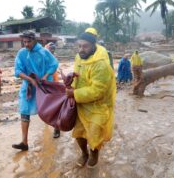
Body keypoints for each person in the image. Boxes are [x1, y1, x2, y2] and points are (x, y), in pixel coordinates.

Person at [65, 31, 116, 168]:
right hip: (81, 103)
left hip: (98, 105)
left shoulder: (101, 65)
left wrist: (74, 94)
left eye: (85, 46)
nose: (81, 49)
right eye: (79, 46)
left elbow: (98, 91)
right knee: (79, 132)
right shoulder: (78, 58)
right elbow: (78, 78)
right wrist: (70, 79)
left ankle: (94, 154)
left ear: (94, 45)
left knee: (94, 133)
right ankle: (84, 153)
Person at [12, 31, 58, 151]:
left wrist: (45, 76)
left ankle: (56, 126)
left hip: (43, 85)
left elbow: (54, 64)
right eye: (24, 42)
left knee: (49, 109)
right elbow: (17, 70)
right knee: (24, 110)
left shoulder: (44, 52)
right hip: (28, 86)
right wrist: (29, 80)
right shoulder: (21, 53)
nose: (26, 44)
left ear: (34, 40)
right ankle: (24, 142)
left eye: (28, 42)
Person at [45, 42, 60, 138]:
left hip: (54, 84)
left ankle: (56, 129)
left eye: (53, 49)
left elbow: (55, 71)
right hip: (46, 84)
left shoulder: (54, 58)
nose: (52, 51)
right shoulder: (44, 58)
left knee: (55, 107)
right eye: (51, 49)